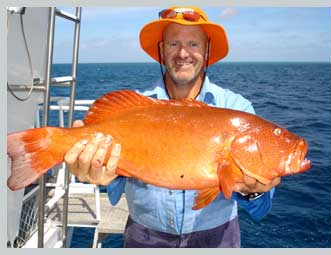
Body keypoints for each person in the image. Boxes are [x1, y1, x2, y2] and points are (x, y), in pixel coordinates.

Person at [64, 6, 281, 248]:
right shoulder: (136, 106)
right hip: (144, 237)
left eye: (194, 44)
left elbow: (260, 208)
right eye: (173, 44)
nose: (183, 53)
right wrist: (98, 174)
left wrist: (254, 191)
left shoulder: (237, 108)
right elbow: (115, 181)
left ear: (207, 50)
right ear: (161, 51)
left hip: (218, 237)